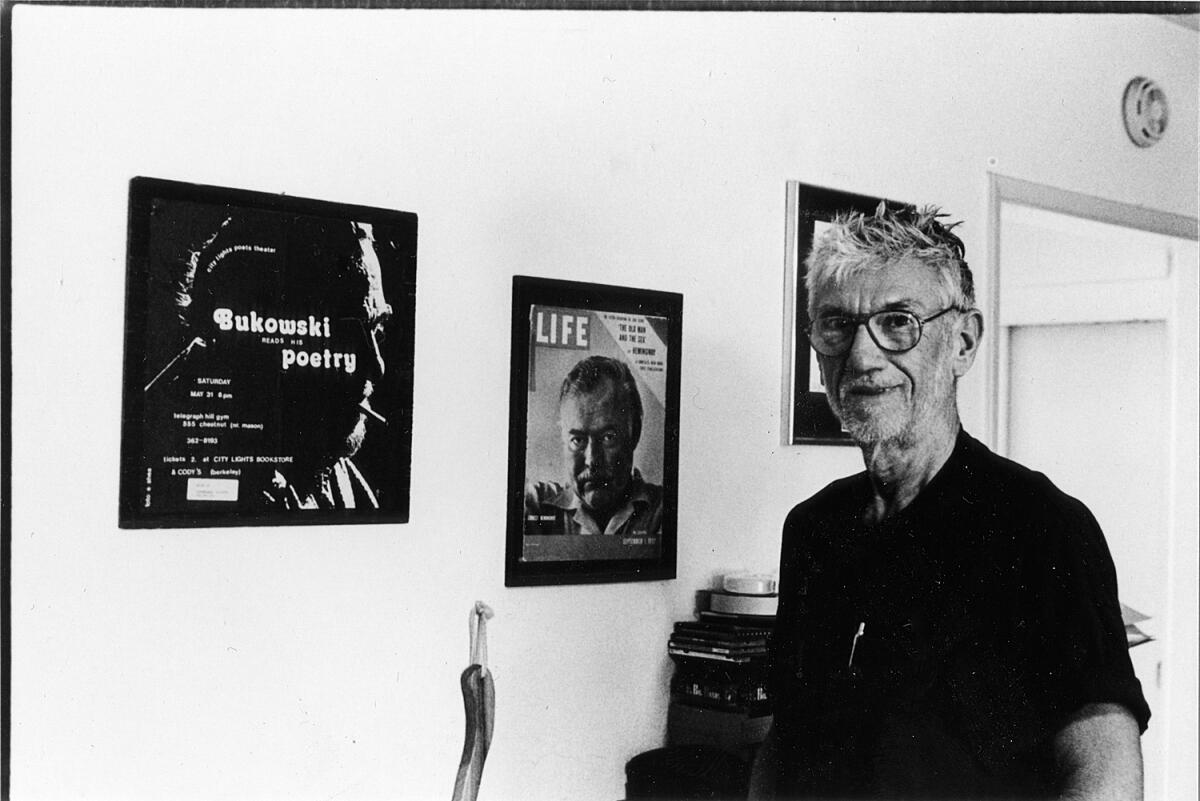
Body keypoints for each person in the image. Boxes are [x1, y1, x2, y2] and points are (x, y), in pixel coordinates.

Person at [750, 203, 1149, 799]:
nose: (861, 356)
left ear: (962, 342)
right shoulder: (815, 529)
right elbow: (786, 739)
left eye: (899, 322)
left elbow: (1103, 766)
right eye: (836, 324)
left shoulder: (1042, 527)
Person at [164, 212, 392, 510]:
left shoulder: (335, 476)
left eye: (376, 328)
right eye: (345, 332)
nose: (377, 366)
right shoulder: (209, 494)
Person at [523, 355, 664, 537]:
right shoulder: (536, 505)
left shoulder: (664, 510)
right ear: (564, 439)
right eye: (578, 440)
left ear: (634, 434)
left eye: (608, 437)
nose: (592, 460)